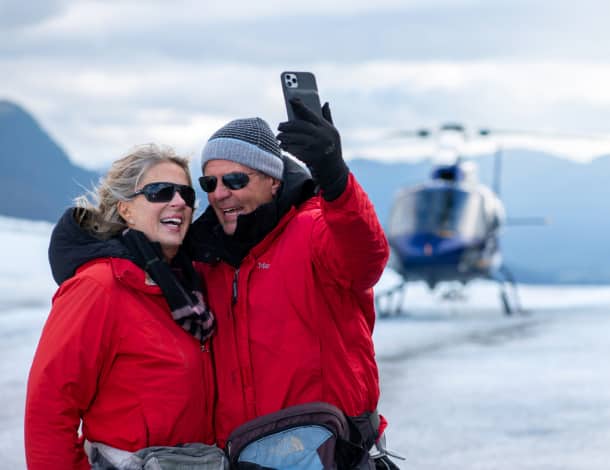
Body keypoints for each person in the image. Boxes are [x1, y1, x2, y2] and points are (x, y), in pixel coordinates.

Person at [187, 99, 397, 468]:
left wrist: (334, 177)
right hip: (240, 457)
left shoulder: (314, 230)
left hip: (328, 453)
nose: (221, 193)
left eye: (236, 179)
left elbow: (367, 258)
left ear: (273, 181)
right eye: (210, 182)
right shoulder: (205, 257)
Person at [25, 144, 217, 469]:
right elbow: (48, 410)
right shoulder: (99, 287)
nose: (179, 202)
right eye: (160, 191)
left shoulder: (192, 289)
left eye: (186, 193)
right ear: (126, 210)